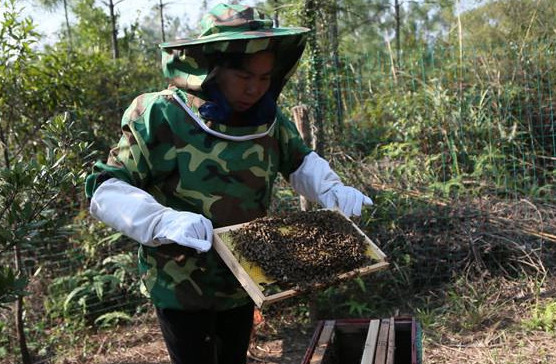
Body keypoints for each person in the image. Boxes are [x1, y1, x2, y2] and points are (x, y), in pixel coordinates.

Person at [85, 3, 373, 364]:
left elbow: (299, 161)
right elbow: (105, 187)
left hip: (246, 278)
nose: (254, 88)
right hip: (181, 286)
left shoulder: (268, 118)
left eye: (265, 77)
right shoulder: (159, 115)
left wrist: (333, 190)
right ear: (212, 68)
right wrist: (161, 221)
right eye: (243, 75)